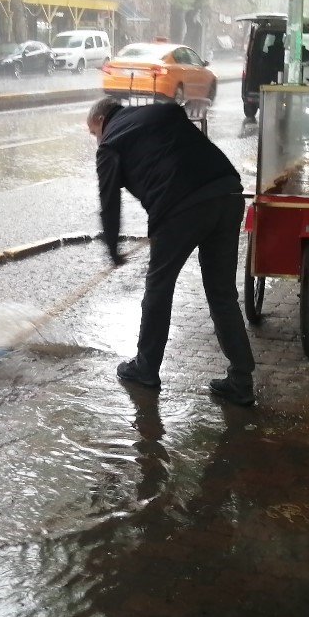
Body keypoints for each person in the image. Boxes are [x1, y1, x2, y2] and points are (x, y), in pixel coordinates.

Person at [87, 97, 257, 406]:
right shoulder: (157, 110)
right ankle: (242, 380)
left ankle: (146, 367)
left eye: (93, 133)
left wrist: (112, 250)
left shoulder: (110, 142)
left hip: (180, 207)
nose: (96, 140)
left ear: (100, 121)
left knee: (159, 287)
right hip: (228, 191)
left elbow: (109, 200)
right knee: (222, 294)